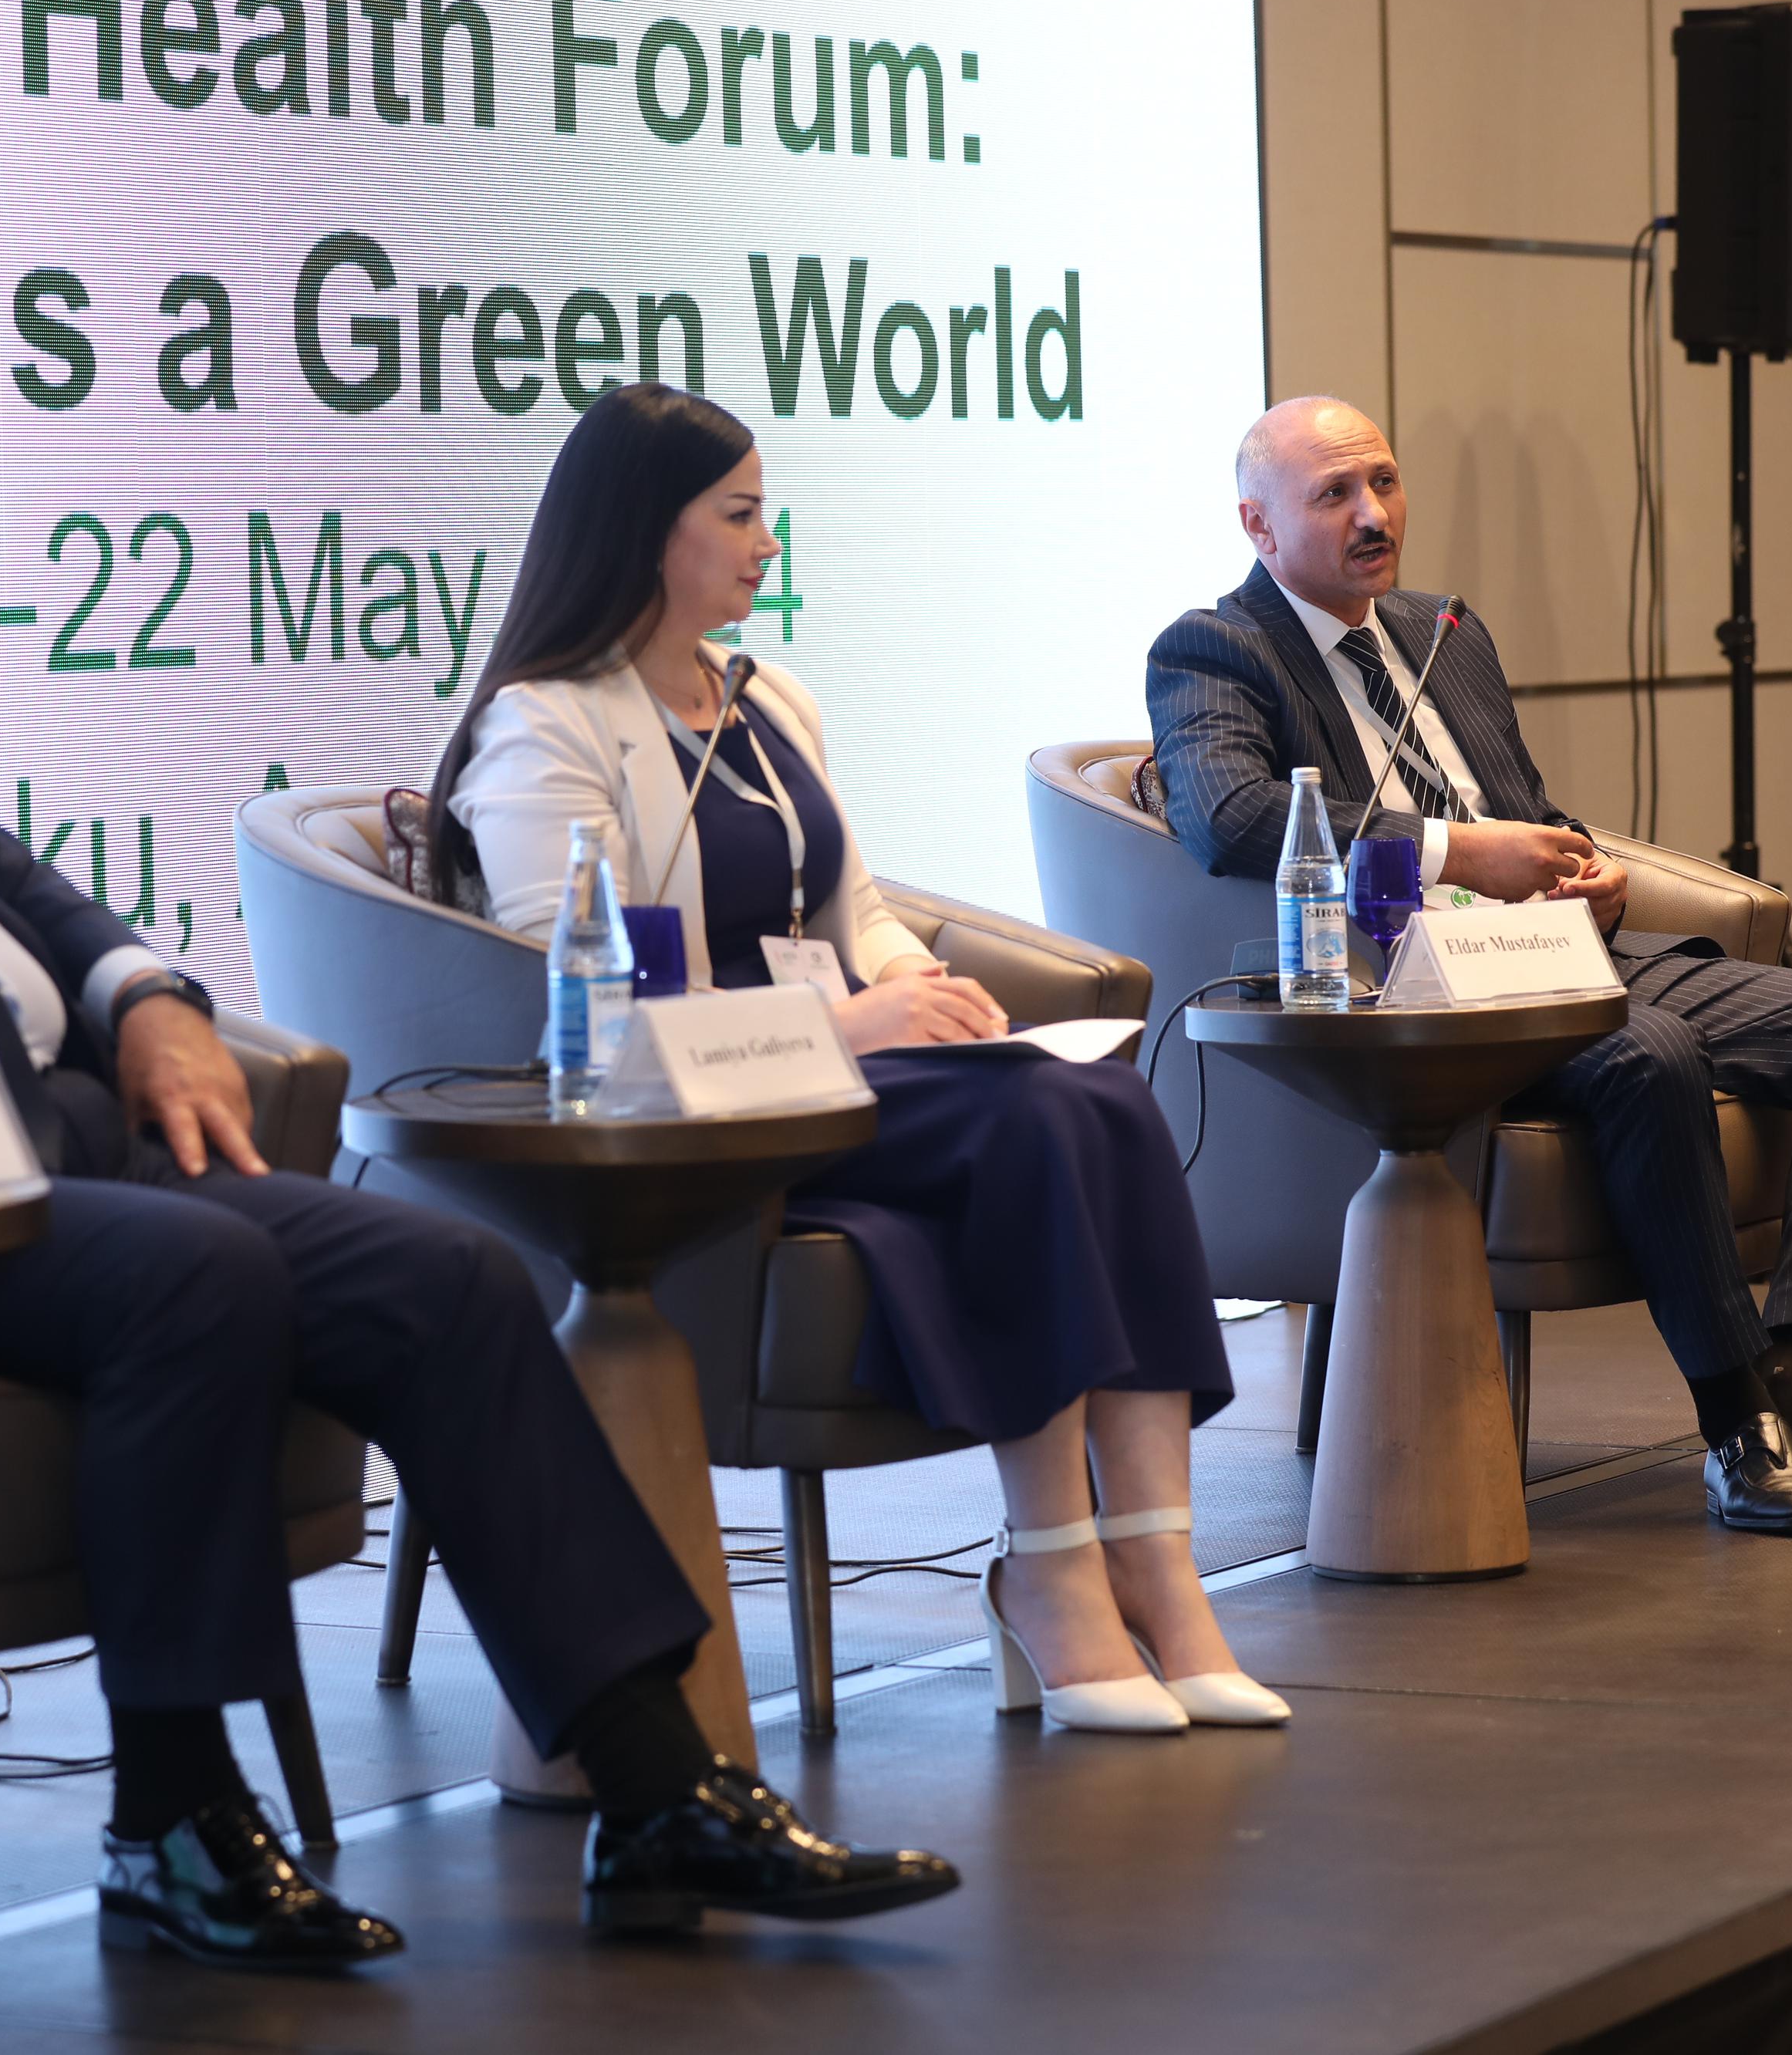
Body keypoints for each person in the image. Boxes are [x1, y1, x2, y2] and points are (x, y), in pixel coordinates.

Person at [0, 343, 957, 1970]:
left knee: (445, 1273)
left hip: (47, 1151)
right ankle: (174, 1820)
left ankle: (655, 1789)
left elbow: (14, 880)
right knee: (197, 1272)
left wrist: (146, 997)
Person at [430, 384, 1286, 1736]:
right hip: (693, 1110)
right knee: (1033, 1119)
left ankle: (1160, 1573)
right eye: (740, 515)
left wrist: (908, 982)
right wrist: (848, 1029)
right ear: (646, 531)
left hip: (832, 1072)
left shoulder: (768, 697)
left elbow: (854, 910)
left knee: (1105, 1098)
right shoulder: (545, 723)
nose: (767, 543)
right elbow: (574, 995)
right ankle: (1051, 1573)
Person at [1146, 394, 1792, 1537]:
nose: (1373, 514)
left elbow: (1523, 809)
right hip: (1419, 990)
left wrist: (1592, 872)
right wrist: (1457, 853)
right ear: (1259, 524)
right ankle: (1737, 1419)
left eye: (1383, 482)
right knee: (1652, 1053)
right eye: (1333, 494)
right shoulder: (1216, 649)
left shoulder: (1442, 630)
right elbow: (1232, 817)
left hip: (1563, 951)